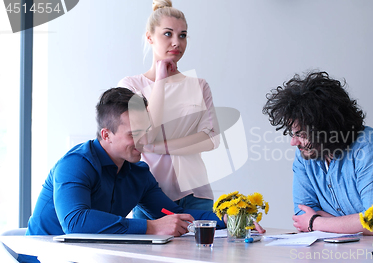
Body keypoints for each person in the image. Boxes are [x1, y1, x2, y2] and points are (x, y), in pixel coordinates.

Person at [26, 88, 224, 236]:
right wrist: (151, 227)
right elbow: (75, 222)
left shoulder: (139, 175)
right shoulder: (75, 164)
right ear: (107, 135)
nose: (145, 141)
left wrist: (230, 219)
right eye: (134, 134)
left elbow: (172, 213)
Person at [262, 71, 373, 237]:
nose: (294, 142)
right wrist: (353, 222)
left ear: (327, 129)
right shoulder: (305, 156)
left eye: (302, 135)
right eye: (293, 134)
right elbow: (302, 215)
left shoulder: (368, 148)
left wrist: (317, 222)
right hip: (349, 252)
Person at [117, 0, 218, 217]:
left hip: (197, 194)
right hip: (149, 195)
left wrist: (155, 147)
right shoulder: (130, 86)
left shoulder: (199, 85)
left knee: (204, 250)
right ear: (149, 37)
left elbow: (211, 140)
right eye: (168, 34)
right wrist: (161, 79)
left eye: (182, 35)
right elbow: (143, 135)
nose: (176, 42)